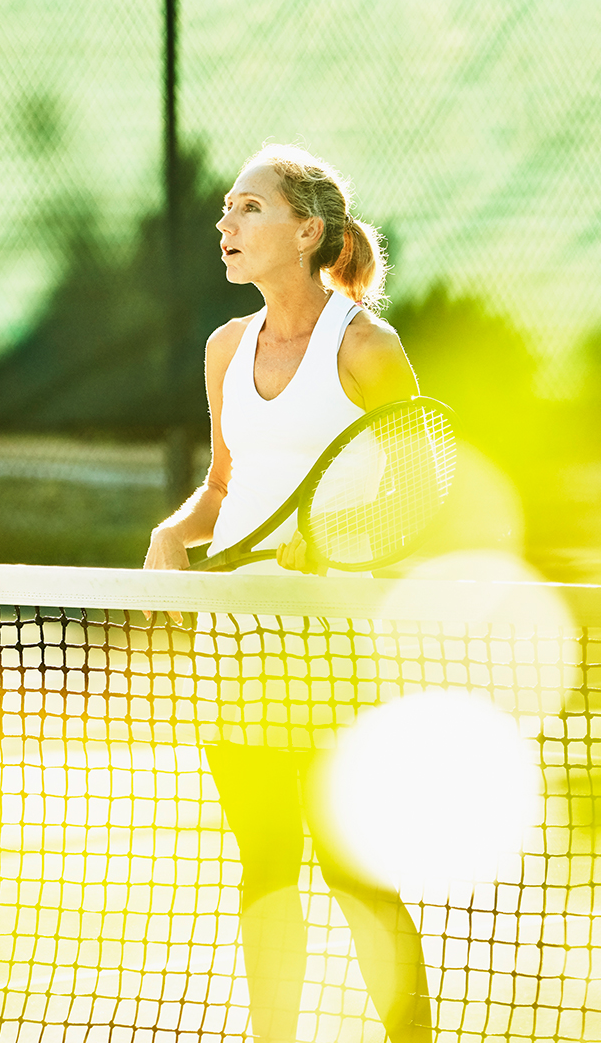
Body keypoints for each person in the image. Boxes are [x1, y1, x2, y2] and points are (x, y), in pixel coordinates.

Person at [144, 144, 431, 1043]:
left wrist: (338, 542)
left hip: (336, 649)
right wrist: (172, 533)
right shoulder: (224, 348)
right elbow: (227, 489)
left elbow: (425, 491)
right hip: (235, 648)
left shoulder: (368, 349)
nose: (225, 225)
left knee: (356, 874)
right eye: (226, 211)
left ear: (308, 231)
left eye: (248, 210)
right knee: (264, 869)